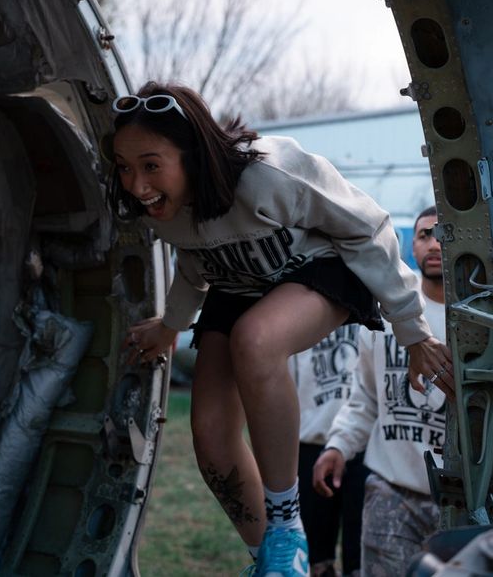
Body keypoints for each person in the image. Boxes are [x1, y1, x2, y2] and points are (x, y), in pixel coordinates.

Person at [107, 83, 454, 577]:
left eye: (150, 164)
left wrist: (412, 331)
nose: (136, 185)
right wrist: (171, 326)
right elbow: (194, 264)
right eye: (124, 167)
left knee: (256, 340)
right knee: (209, 438)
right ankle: (272, 559)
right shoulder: (162, 209)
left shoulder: (268, 173)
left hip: (322, 267)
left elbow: (367, 226)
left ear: (193, 153)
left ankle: (287, 525)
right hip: (239, 284)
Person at [313, 206, 446, 577]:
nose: (434, 243)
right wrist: (338, 445)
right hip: (390, 492)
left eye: (443, 234)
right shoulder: (390, 314)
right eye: (424, 235)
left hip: (462, 502)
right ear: (412, 247)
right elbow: (365, 398)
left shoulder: (477, 318)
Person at [291, 326, 368, 577]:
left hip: (364, 447)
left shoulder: (380, 299)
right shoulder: (294, 309)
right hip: (311, 440)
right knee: (315, 555)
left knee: (360, 553)